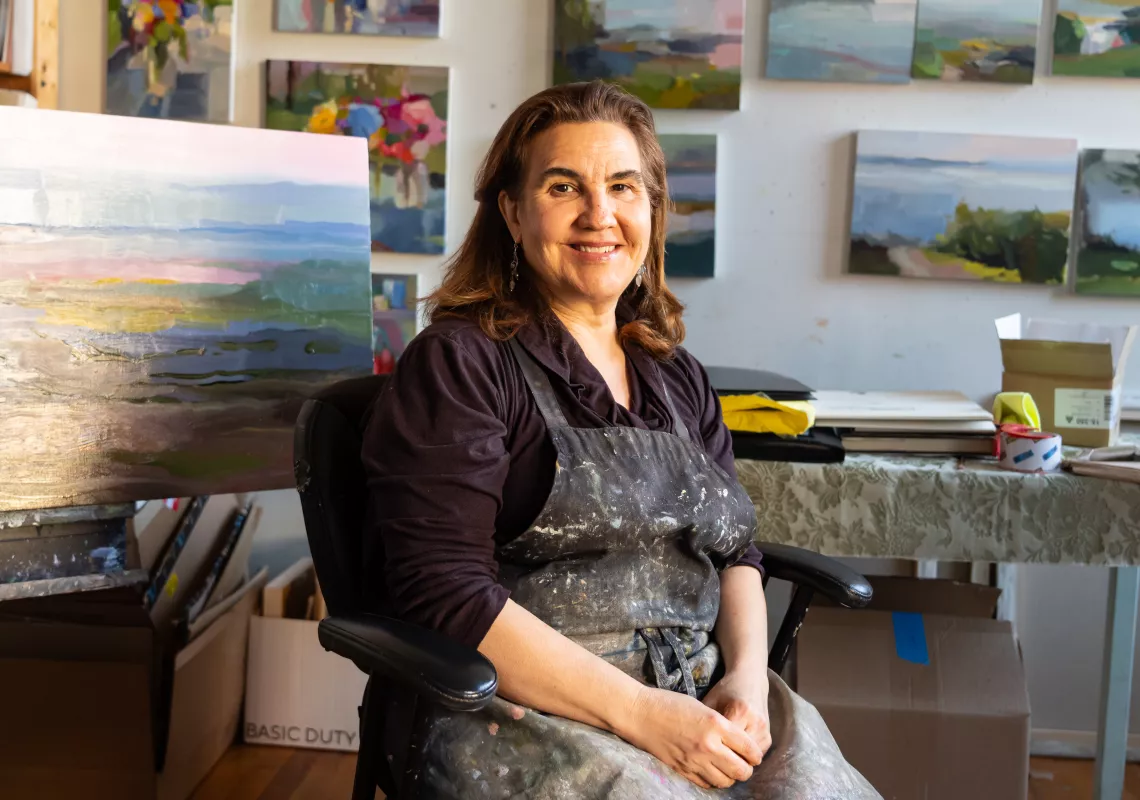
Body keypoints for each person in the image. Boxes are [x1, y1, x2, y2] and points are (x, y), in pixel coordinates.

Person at [362, 81, 879, 798]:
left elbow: (736, 554)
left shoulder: (678, 376)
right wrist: (643, 713)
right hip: (522, 713)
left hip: (700, 693)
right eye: (564, 186)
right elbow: (442, 591)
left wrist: (746, 680)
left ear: (651, 210)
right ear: (513, 212)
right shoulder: (462, 364)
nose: (598, 214)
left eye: (623, 188)